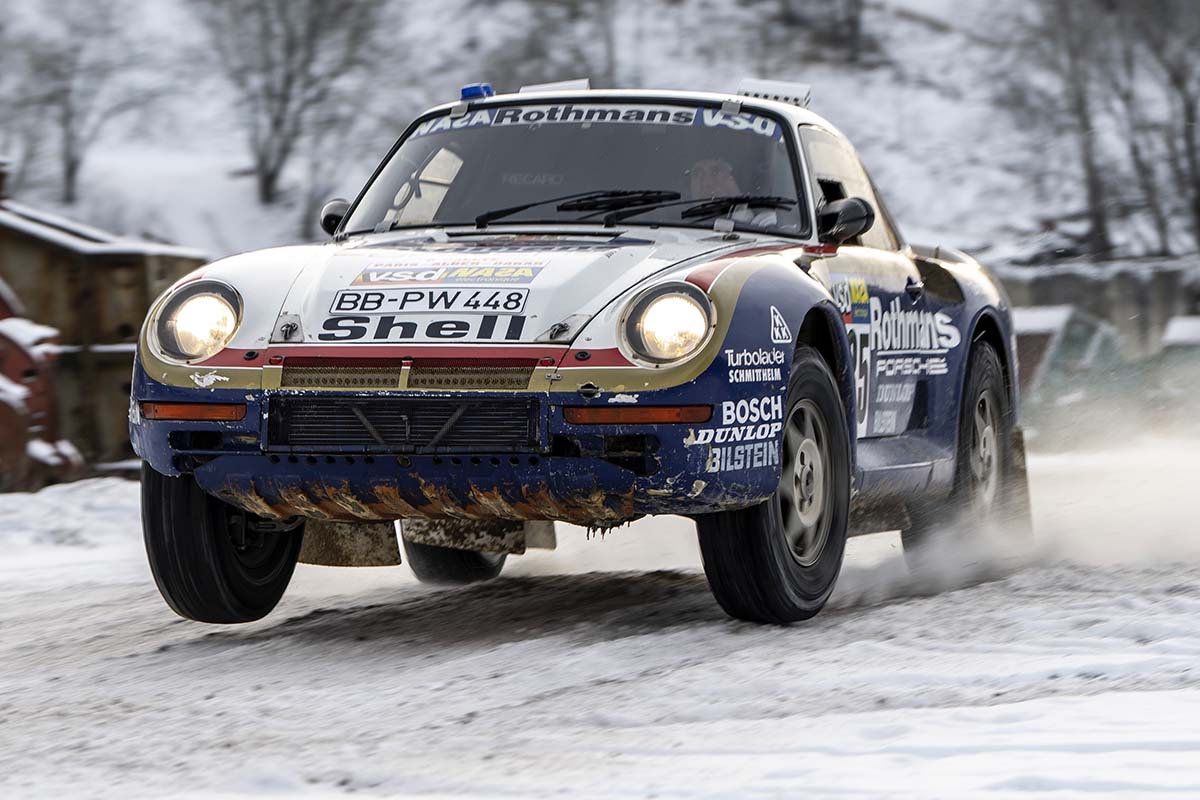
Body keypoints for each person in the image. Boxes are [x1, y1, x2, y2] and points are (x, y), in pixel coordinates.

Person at [687, 157, 779, 228]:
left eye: (716, 172)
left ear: (736, 180)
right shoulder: (677, 228)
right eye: (697, 173)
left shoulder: (766, 224)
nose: (706, 183)